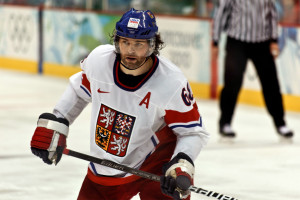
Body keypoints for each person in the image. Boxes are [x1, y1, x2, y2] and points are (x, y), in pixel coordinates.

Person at [30, 8, 210, 200]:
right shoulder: (99, 61)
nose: (131, 50)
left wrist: (182, 165)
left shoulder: (171, 82)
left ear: (152, 45)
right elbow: (79, 90)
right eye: (125, 42)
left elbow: (192, 132)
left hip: (159, 164)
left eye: (139, 44)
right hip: (107, 166)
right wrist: (59, 121)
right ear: (117, 42)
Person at [212, 0, 294, 138]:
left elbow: (272, 13)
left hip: (262, 42)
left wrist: (273, 40)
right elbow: (221, 12)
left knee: (271, 84)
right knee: (232, 84)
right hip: (237, 41)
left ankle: (280, 123)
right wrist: (215, 41)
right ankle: (225, 122)